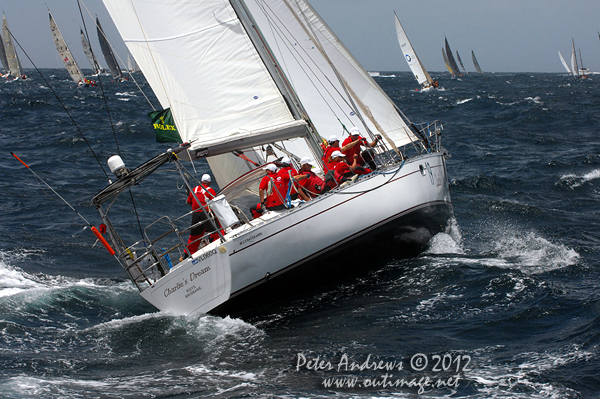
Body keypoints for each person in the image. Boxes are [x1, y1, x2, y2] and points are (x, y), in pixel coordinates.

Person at [185, 174, 217, 256]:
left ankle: (187, 255)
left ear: (201, 181)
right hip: (205, 213)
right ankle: (218, 245)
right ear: (209, 182)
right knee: (216, 231)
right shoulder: (210, 190)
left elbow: (188, 202)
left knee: (194, 236)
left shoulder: (194, 189)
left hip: (195, 215)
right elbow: (215, 204)